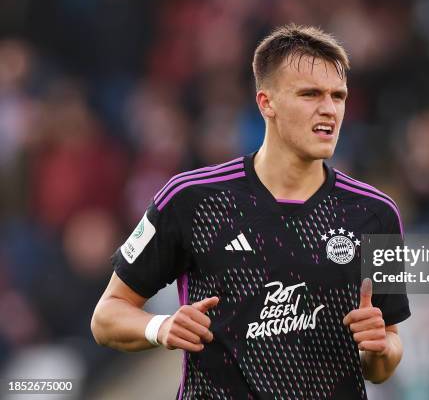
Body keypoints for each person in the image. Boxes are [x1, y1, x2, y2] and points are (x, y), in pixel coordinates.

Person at [91, 24, 410, 399]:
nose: (329, 109)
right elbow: (107, 317)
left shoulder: (377, 215)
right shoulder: (190, 199)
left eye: (338, 96)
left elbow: (385, 354)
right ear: (266, 103)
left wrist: (381, 349)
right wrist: (160, 327)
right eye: (310, 94)